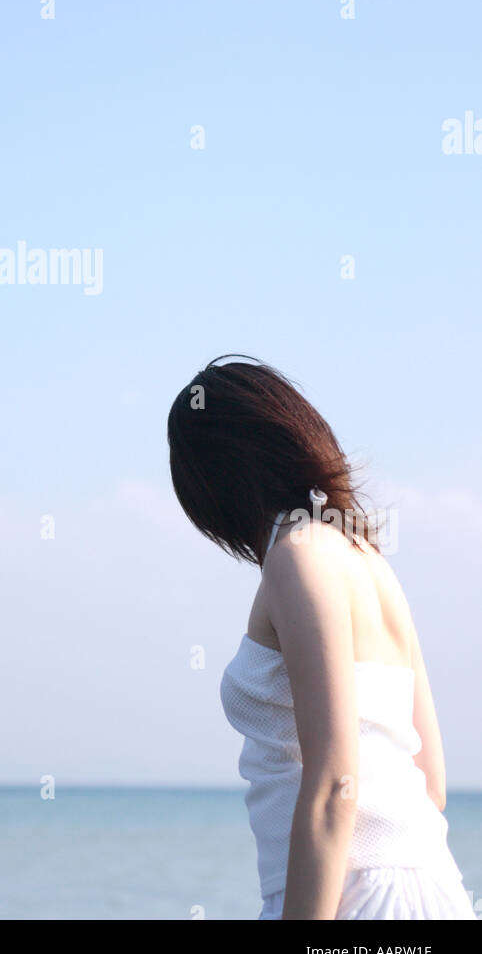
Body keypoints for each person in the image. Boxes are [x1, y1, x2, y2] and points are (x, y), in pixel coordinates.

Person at [167, 356, 476, 920]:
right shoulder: (372, 562)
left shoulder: (296, 558)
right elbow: (430, 784)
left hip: (347, 899)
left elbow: (336, 782)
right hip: (432, 889)